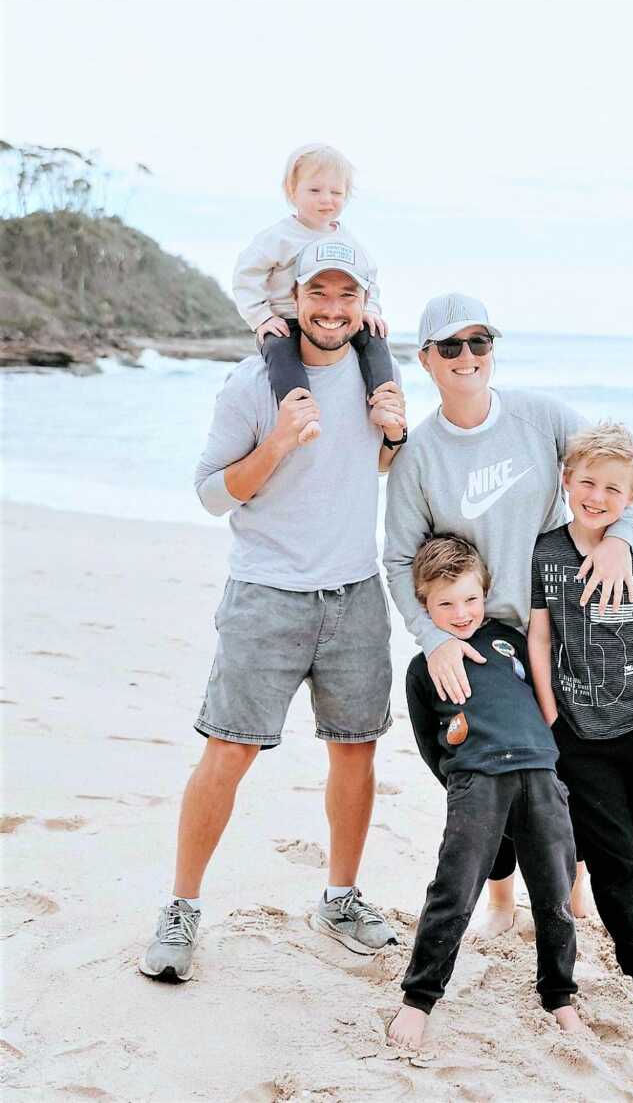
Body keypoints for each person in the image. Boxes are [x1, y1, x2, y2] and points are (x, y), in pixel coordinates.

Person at [139, 245, 407, 983]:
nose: (331, 306)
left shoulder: (378, 373)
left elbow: (372, 466)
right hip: (266, 593)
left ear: (362, 301)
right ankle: (181, 907)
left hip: (354, 594)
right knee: (228, 751)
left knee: (356, 751)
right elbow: (212, 492)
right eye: (316, 291)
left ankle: (340, 898)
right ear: (292, 298)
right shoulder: (254, 383)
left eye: (345, 293)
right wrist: (279, 442)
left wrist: (394, 435)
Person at [383, 292, 633, 935]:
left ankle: (574, 884)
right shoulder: (417, 456)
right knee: (487, 769)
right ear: (426, 360)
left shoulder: (543, 418)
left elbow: (615, 482)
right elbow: (397, 560)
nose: (467, 357)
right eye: (450, 347)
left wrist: (619, 541)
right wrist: (431, 638)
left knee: (577, 763)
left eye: (479, 342)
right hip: (482, 638)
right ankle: (500, 896)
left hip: (563, 623)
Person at [528, 420, 633, 1041]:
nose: (597, 497)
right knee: (613, 863)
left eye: (613, 489)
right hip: (580, 738)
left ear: (631, 500)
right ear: (567, 481)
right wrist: (551, 717)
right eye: (588, 483)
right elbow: (540, 637)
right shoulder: (546, 554)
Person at [388, 536, 581, 1050]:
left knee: (553, 894)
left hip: (540, 771)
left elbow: (547, 694)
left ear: (486, 592)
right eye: (444, 603)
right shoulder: (423, 668)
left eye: (470, 599)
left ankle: (559, 995)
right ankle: (419, 998)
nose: (460, 612)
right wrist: (461, 778)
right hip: (476, 779)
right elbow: (430, 743)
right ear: (424, 605)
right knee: (453, 889)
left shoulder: (509, 641)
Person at [232, 142, 399, 441]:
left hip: (334, 319)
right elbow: (247, 276)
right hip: (284, 319)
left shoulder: (346, 238)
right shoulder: (278, 237)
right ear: (292, 190)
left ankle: (383, 400)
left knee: (375, 337)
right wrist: (261, 318)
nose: (327, 199)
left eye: (336, 192)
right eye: (315, 190)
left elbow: (369, 277)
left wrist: (371, 310)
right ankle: (300, 414)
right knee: (280, 353)